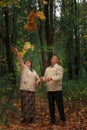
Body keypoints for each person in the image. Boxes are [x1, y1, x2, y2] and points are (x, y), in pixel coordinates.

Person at [12, 47, 40, 124]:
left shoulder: (34, 71)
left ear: (31, 64)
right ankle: (24, 118)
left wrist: (38, 82)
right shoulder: (23, 68)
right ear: (24, 64)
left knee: (31, 104)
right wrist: (17, 52)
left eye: (29, 62)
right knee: (24, 104)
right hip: (24, 88)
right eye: (26, 62)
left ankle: (31, 118)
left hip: (32, 89)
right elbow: (20, 60)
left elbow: (38, 79)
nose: (27, 63)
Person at [40, 56, 66, 124]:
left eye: (54, 59)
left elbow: (60, 77)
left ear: (57, 60)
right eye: (51, 59)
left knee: (60, 105)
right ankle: (52, 120)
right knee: (51, 106)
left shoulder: (59, 68)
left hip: (57, 90)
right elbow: (45, 77)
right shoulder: (47, 68)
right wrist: (41, 79)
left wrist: (51, 78)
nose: (52, 60)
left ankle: (63, 119)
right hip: (49, 90)